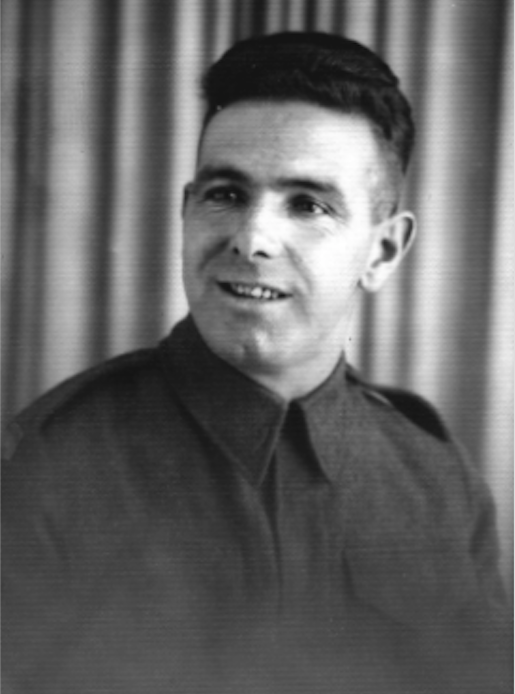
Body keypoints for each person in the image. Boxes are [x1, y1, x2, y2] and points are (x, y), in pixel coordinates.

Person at [2, 32, 511, 694]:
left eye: (308, 205)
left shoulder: (438, 484)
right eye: (226, 194)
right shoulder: (47, 467)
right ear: (187, 210)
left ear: (382, 251)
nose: (251, 239)